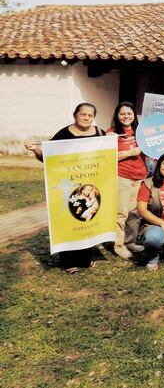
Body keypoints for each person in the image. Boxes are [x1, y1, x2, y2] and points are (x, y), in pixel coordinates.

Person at [24, 102, 106, 273]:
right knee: (69, 221)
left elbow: (108, 154)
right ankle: (68, 261)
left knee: (88, 221)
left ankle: (85, 259)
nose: (86, 118)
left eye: (90, 115)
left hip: (92, 183)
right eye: (83, 114)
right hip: (70, 186)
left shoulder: (100, 134)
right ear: (75, 115)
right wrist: (36, 150)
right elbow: (49, 158)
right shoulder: (63, 134)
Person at [107, 102, 147, 260]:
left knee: (135, 212)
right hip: (122, 176)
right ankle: (118, 245)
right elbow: (108, 156)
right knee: (121, 213)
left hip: (140, 177)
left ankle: (129, 242)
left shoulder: (141, 132)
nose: (126, 117)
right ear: (117, 116)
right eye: (122, 114)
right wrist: (129, 152)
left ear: (134, 115)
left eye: (129, 113)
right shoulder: (111, 134)